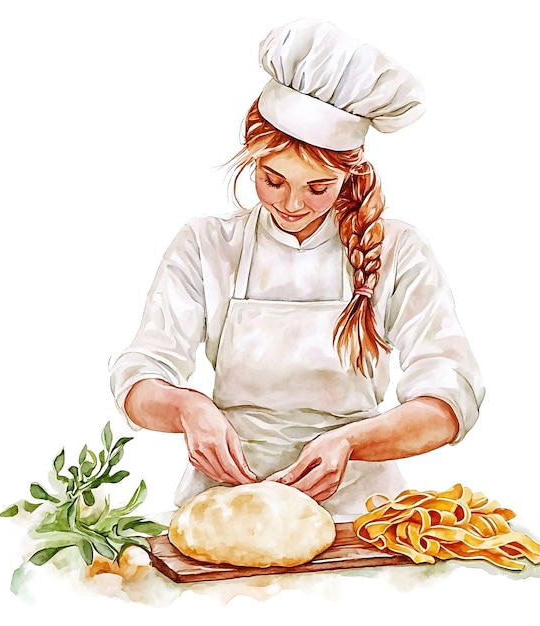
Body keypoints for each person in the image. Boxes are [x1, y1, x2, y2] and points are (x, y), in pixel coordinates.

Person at [109, 19, 485, 521]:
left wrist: (351, 442)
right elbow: (139, 375)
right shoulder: (206, 245)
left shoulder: (398, 250)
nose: (292, 204)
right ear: (251, 160)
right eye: (273, 179)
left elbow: (450, 398)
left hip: (361, 515)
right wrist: (188, 409)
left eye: (318, 188)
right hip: (225, 507)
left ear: (349, 176)